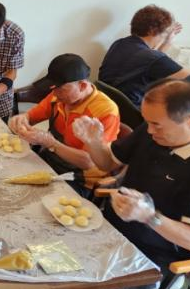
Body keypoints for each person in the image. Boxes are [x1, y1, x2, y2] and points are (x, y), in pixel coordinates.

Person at [72, 79, 190, 289]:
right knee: (59, 244)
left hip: (158, 253)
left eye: (157, 125)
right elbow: (109, 163)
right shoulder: (151, 131)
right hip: (113, 226)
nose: (149, 130)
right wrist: (93, 142)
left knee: (89, 274)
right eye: (147, 122)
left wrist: (150, 217)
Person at [9, 54, 120, 195]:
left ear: (82, 86)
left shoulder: (105, 111)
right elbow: (31, 117)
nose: (55, 93)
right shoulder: (58, 96)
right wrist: (22, 119)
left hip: (79, 178)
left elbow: (88, 162)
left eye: (61, 89)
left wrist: (51, 143)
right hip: (51, 160)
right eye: (53, 88)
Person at [99, 5, 190, 107]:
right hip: (135, 112)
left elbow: (153, 61)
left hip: (110, 106)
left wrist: (167, 41)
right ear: (152, 30)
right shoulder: (151, 58)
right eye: (165, 33)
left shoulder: (120, 43)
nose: (164, 37)